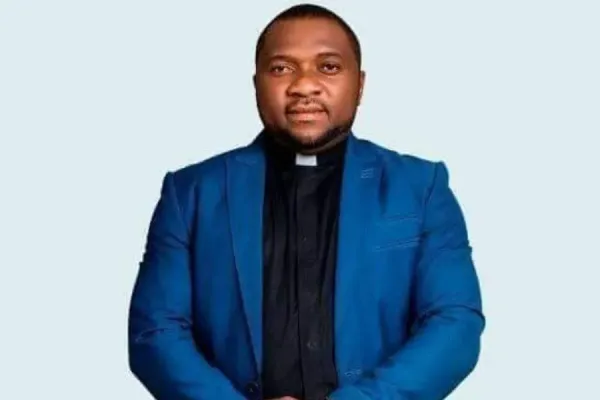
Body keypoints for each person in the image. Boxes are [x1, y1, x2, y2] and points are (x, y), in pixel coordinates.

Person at [127, 3, 485, 400]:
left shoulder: (421, 187)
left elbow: (455, 323)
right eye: (282, 68)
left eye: (328, 67)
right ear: (256, 84)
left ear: (360, 85)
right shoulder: (190, 193)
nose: (304, 85)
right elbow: (154, 332)